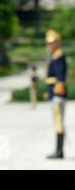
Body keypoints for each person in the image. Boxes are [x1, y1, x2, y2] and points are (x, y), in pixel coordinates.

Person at [45, 28, 67, 159]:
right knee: (57, 123)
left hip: (57, 95)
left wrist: (57, 95)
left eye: (52, 42)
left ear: (57, 42)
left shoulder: (59, 56)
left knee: (58, 123)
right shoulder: (54, 55)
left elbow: (60, 77)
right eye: (48, 43)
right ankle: (58, 150)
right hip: (54, 94)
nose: (49, 45)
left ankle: (59, 151)